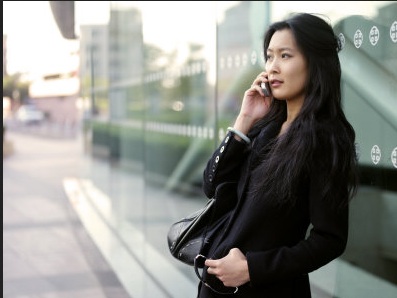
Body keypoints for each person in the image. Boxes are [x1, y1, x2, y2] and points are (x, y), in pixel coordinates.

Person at [197, 12, 359, 298]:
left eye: (285, 56)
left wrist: (252, 268)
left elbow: (329, 240)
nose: (272, 67)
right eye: (269, 57)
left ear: (315, 63)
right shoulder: (266, 129)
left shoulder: (324, 140)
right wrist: (244, 119)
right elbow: (212, 184)